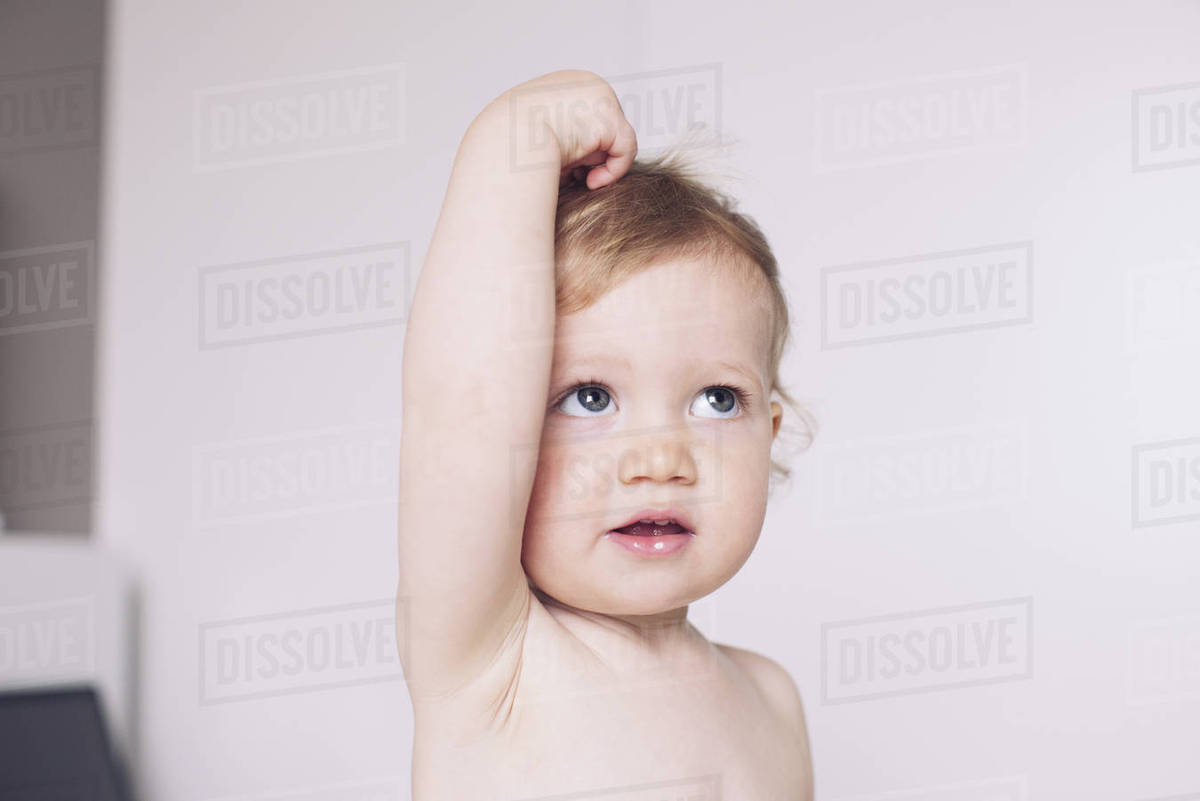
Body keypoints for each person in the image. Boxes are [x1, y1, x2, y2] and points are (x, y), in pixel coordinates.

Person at [397, 68, 813, 800]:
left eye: (717, 399)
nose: (661, 458)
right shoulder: (493, 660)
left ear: (770, 431)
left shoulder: (771, 700)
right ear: (518, 424)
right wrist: (513, 139)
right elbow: (461, 406)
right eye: (590, 397)